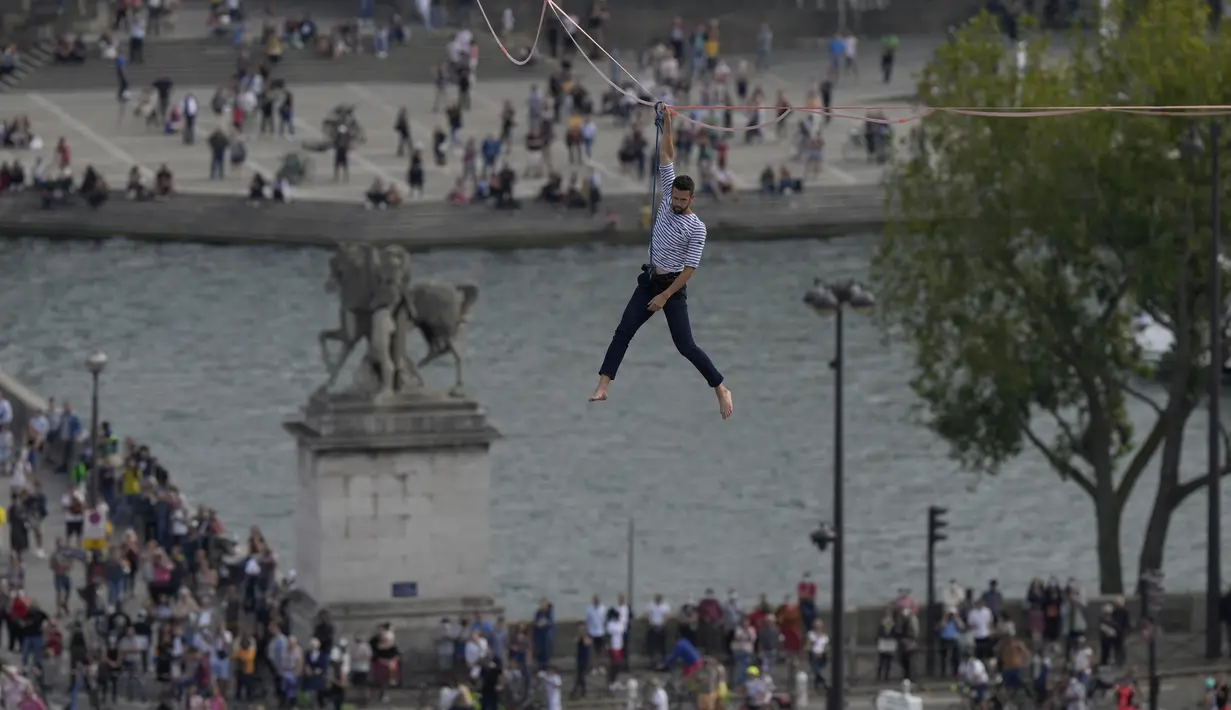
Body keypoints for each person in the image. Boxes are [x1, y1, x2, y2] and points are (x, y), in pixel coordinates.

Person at [588, 104, 734, 420]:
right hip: (650, 281)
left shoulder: (697, 227)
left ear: (692, 199)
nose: (678, 204)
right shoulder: (667, 193)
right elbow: (666, 155)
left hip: (672, 288)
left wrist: (665, 297)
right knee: (623, 331)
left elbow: (690, 268)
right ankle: (603, 385)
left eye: (684, 201)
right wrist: (667, 122)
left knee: (686, 346)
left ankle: (720, 387)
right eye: (676, 199)